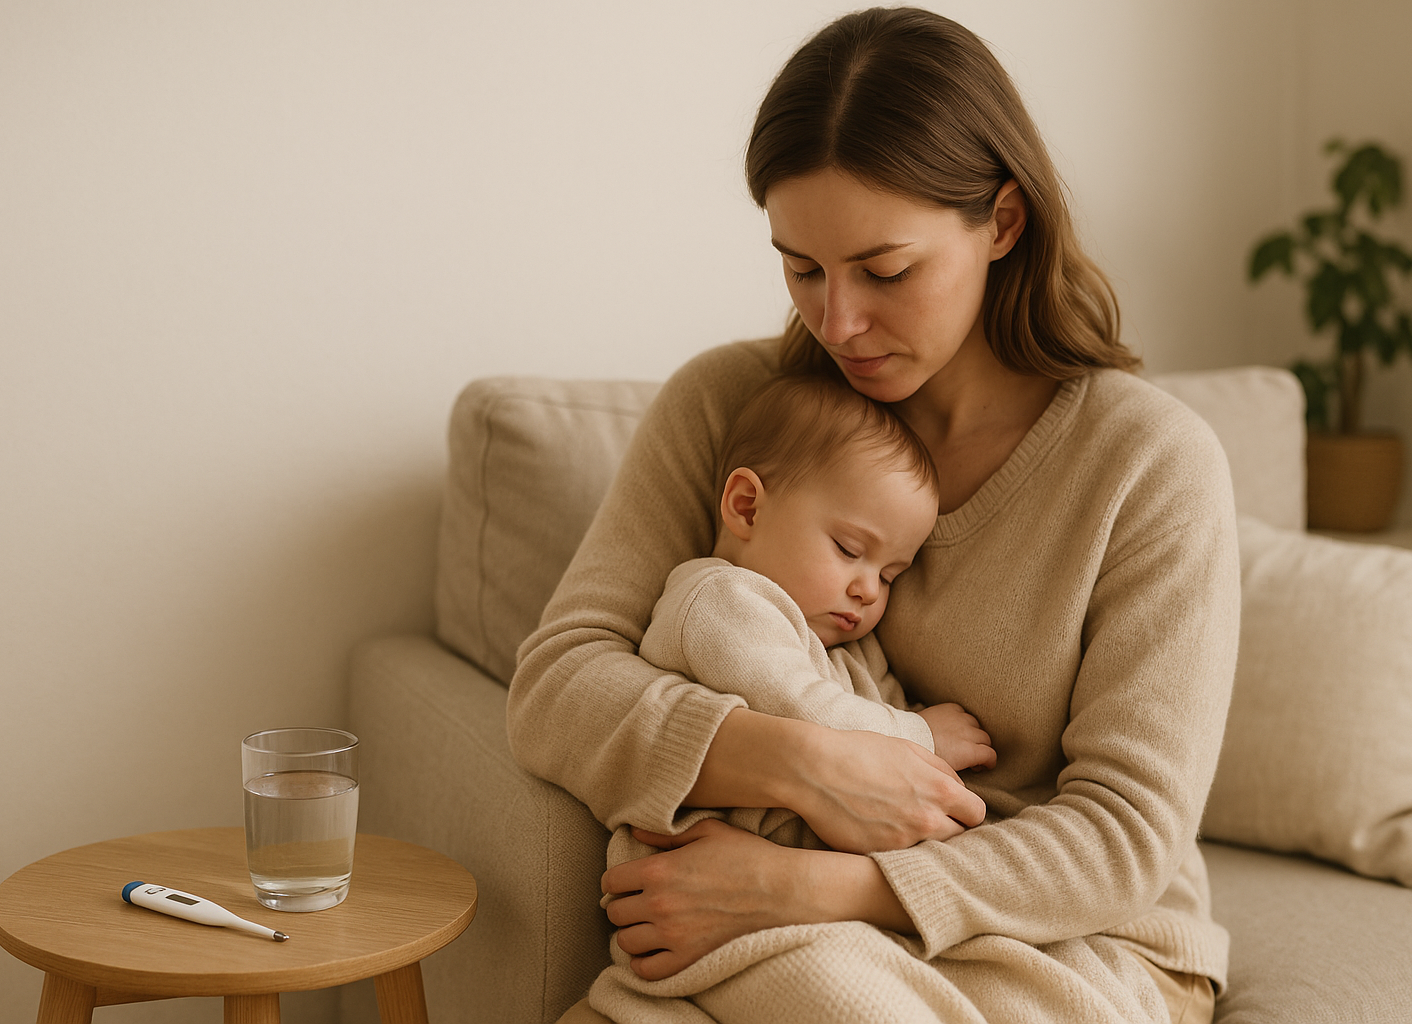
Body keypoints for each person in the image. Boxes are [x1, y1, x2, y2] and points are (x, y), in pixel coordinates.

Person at [509, 7, 1237, 1024]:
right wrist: (811, 764)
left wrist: (806, 885)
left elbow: (1124, 839)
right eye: (800, 268)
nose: (837, 321)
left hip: (1063, 940)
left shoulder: (1149, 465)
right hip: (766, 916)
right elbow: (557, 685)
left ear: (1004, 221)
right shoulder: (731, 410)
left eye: (885, 271)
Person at [618, 372, 994, 862]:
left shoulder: (848, 646)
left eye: (890, 577)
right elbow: (802, 710)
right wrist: (924, 736)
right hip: (711, 883)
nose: (867, 591)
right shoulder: (720, 600)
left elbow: (886, 716)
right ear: (747, 508)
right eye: (849, 548)